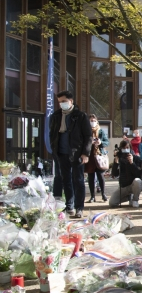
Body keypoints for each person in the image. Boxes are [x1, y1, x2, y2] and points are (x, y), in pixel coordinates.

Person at [49, 90, 93, 219]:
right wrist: (53, 149)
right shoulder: (56, 116)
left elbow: (88, 136)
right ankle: (69, 206)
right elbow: (52, 134)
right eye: (59, 102)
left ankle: (79, 207)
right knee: (65, 180)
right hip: (61, 153)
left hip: (77, 153)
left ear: (71, 101)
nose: (61, 104)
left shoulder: (80, 116)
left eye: (64, 101)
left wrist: (85, 153)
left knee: (78, 180)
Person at [110, 139, 142, 208]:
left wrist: (132, 163)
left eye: (127, 147)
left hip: (133, 185)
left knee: (138, 181)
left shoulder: (136, 158)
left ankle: (135, 199)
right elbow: (114, 174)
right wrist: (116, 163)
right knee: (112, 203)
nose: (125, 149)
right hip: (123, 186)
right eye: (123, 148)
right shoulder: (119, 158)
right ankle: (128, 197)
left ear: (130, 148)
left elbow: (139, 175)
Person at [85, 114, 109, 203]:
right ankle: (92, 196)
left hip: (98, 155)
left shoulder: (101, 131)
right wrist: (89, 142)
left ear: (97, 121)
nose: (93, 122)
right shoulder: (86, 131)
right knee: (90, 176)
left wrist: (100, 142)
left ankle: (103, 194)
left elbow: (107, 142)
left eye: (94, 120)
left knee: (100, 175)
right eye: (91, 121)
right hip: (89, 156)